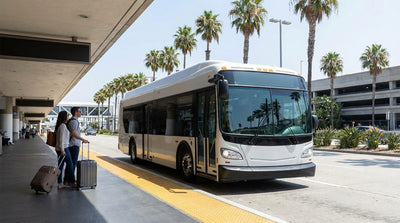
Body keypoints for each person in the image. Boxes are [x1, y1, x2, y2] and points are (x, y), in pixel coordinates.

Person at [67, 107, 89, 187]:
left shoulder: (73, 121)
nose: (81, 113)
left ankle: (68, 180)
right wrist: (83, 139)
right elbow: (74, 133)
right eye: (80, 111)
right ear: (76, 112)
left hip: (73, 144)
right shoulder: (74, 121)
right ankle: (71, 181)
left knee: (71, 164)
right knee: (72, 164)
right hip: (73, 145)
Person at [55, 111, 75, 189]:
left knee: (61, 166)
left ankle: (60, 183)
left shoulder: (60, 125)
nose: (68, 117)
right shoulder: (63, 126)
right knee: (70, 165)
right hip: (63, 149)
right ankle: (73, 182)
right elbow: (61, 139)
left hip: (60, 148)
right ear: (64, 117)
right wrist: (63, 150)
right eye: (67, 115)